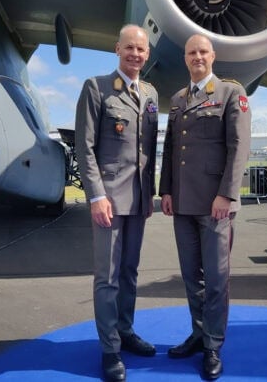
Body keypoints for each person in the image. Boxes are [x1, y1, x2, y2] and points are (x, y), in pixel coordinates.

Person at [159, 34, 251, 380]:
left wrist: (226, 194)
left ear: (212, 56)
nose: (197, 57)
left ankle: (213, 345)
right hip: (182, 203)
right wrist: (166, 190)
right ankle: (198, 334)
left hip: (216, 204)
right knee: (190, 276)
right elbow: (170, 150)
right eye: (191, 52)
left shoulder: (230, 94)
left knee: (216, 279)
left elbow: (238, 147)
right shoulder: (179, 99)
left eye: (202, 51)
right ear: (185, 58)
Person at [75, 24, 158, 382]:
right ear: (117, 48)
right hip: (108, 198)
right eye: (129, 48)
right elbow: (85, 147)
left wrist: (150, 193)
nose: (135, 54)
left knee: (129, 272)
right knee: (107, 277)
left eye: (141, 50)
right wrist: (96, 195)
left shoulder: (151, 93)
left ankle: (125, 330)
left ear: (147, 54)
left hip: (138, 199)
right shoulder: (97, 88)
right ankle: (110, 349)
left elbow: (149, 151)